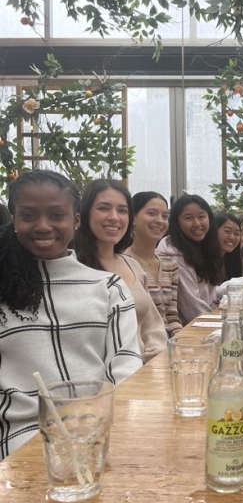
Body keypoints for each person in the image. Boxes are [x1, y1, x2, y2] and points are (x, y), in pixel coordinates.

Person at [0, 170, 142, 459]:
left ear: (75, 221)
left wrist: (106, 429)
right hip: (24, 441)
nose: (43, 226)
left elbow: (127, 369)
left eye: (56, 215)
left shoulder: (107, 287)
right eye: (28, 215)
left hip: (101, 432)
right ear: (14, 220)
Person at [75, 179, 168, 362]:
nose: (114, 217)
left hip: (145, 371)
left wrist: (155, 359)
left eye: (122, 210)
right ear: (84, 215)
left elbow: (152, 326)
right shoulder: (75, 267)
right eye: (103, 208)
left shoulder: (131, 265)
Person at [156, 194, 223, 325]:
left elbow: (211, 295)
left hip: (202, 325)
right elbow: (193, 311)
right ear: (176, 222)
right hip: (186, 332)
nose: (197, 223)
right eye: (188, 218)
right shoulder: (174, 254)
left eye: (201, 216)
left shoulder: (201, 247)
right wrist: (226, 324)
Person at [124, 192, 182, 337]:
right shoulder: (123, 264)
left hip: (168, 343)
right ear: (133, 218)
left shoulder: (170, 264)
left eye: (165, 216)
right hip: (142, 347)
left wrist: (181, 340)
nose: (160, 221)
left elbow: (172, 316)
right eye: (152, 213)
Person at [215, 212, 243, 280]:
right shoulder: (202, 262)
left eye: (237, 233)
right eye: (227, 231)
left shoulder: (231, 261)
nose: (232, 237)